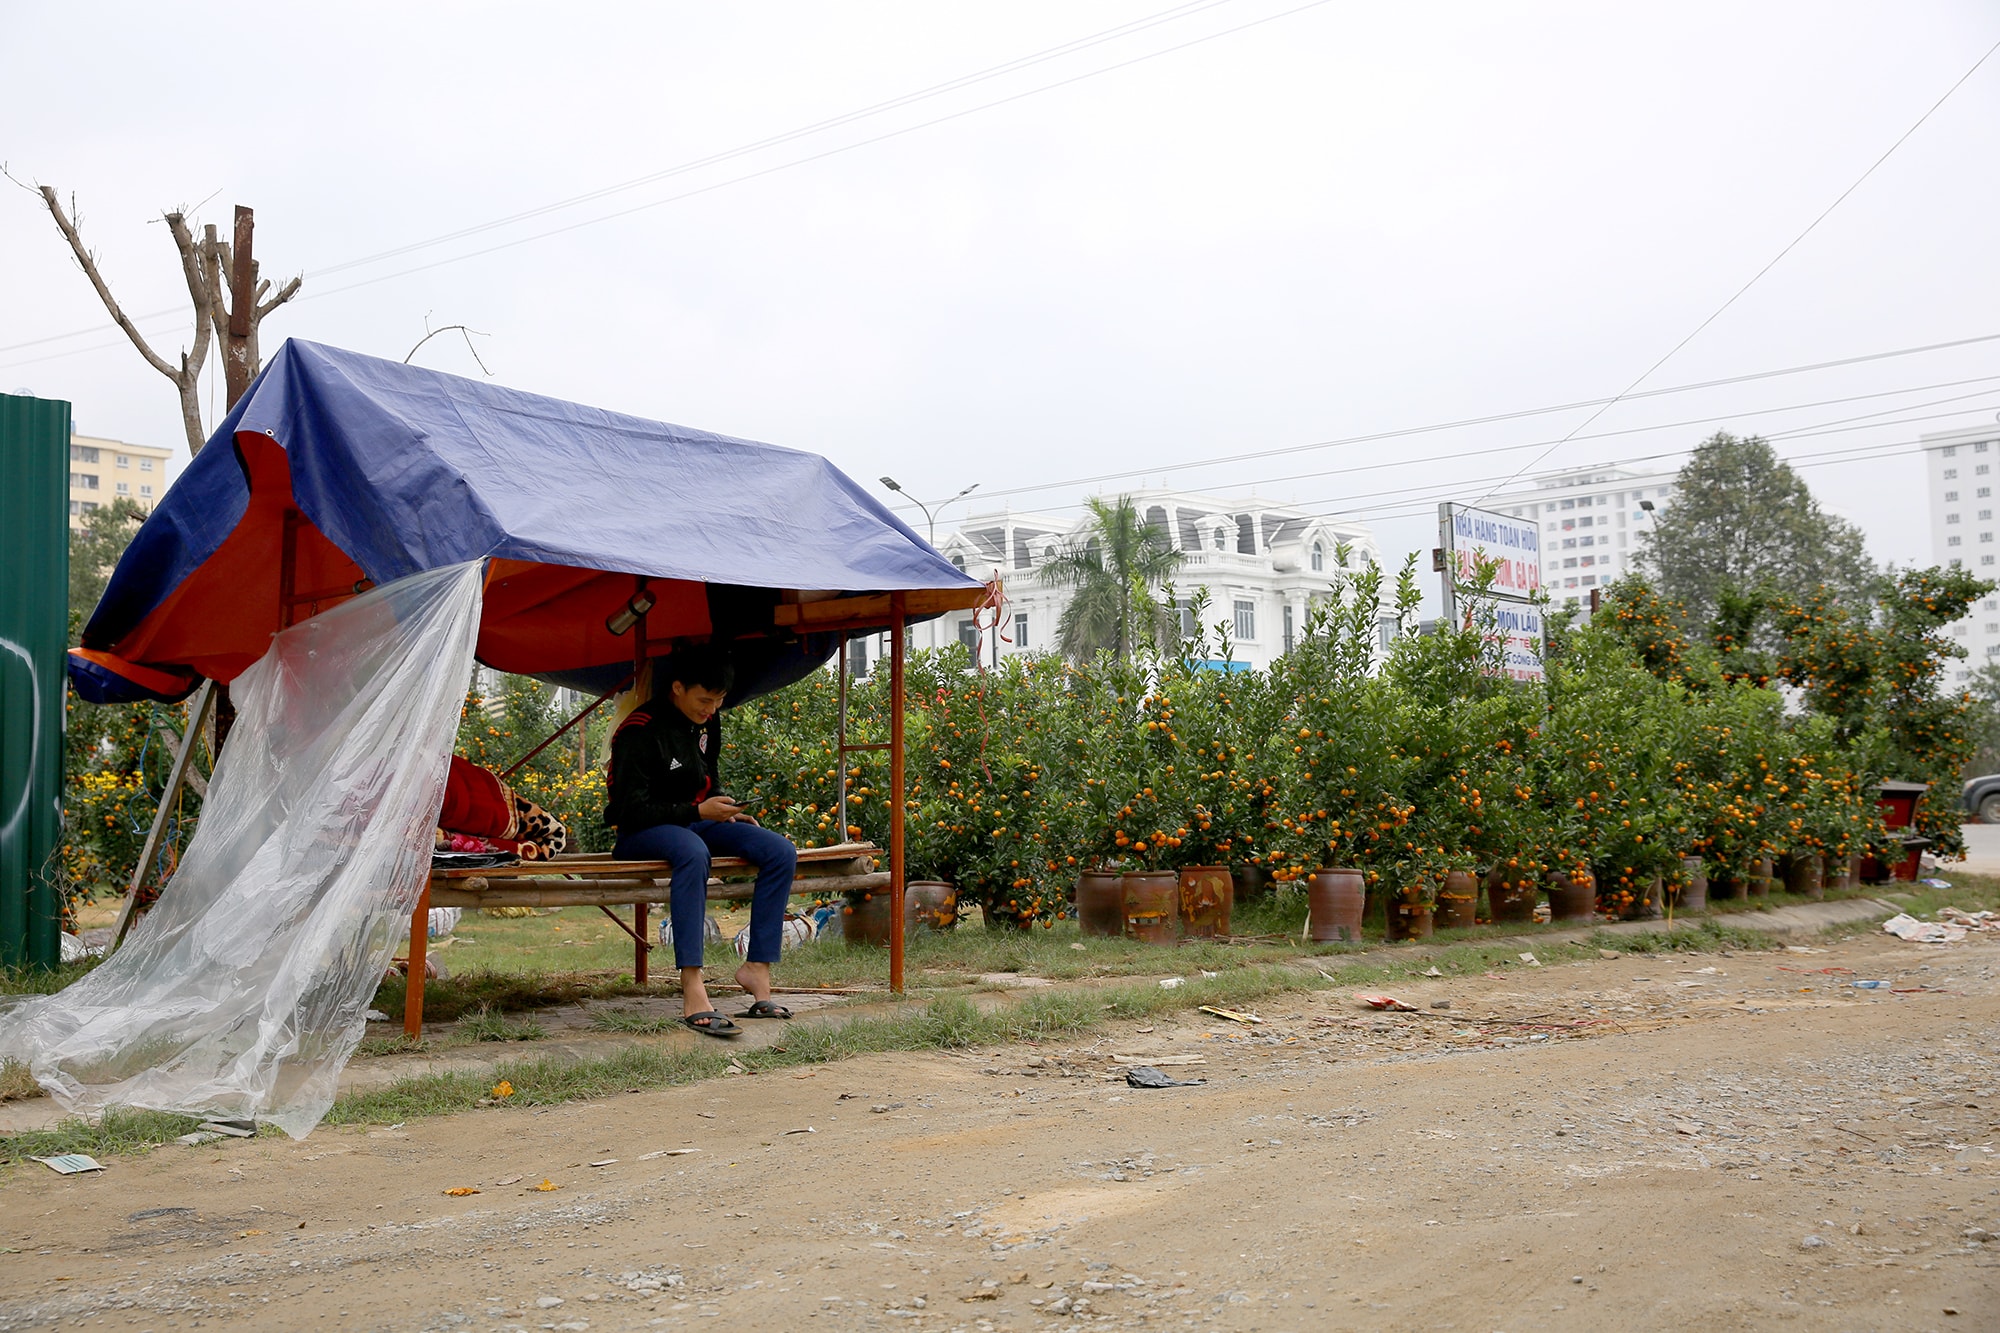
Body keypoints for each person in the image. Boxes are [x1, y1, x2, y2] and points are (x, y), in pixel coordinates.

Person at [604, 646, 797, 1038]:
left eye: (720, 700)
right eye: (704, 699)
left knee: (780, 851)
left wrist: (725, 808)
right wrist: (696, 813)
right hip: (641, 833)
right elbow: (629, 810)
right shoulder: (639, 731)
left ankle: (757, 968)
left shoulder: (709, 722)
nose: (711, 709)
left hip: (698, 822)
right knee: (693, 853)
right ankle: (692, 985)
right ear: (677, 687)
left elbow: (706, 777)